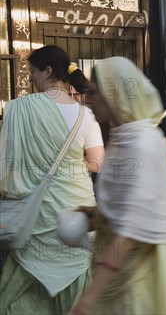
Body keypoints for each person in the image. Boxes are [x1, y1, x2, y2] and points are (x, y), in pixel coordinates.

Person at [69, 57, 166, 314]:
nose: (87, 99)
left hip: (140, 280)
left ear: (114, 93)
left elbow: (130, 233)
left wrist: (88, 299)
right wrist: (97, 215)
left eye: (94, 92)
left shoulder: (141, 144)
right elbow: (129, 210)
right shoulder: (124, 137)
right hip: (122, 277)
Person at [0, 45, 104, 314]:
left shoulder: (20, 109)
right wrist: (68, 166)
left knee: (20, 289)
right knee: (77, 283)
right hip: (74, 213)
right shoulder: (86, 115)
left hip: (32, 214)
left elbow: (7, 162)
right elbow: (97, 162)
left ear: (47, 71)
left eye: (32, 72)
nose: (31, 78)